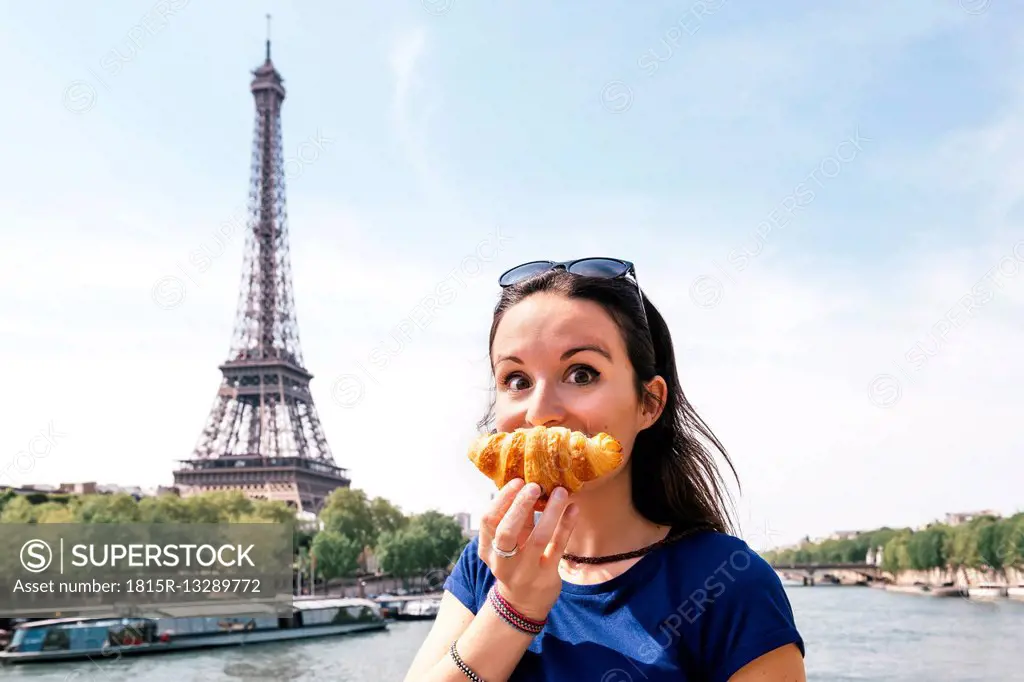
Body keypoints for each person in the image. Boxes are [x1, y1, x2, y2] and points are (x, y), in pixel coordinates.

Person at [403, 258, 805, 682]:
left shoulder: (731, 584)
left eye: (581, 374)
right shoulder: (488, 562)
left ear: (649, 403)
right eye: (516, 380)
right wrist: (514, 609)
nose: (539, 413)